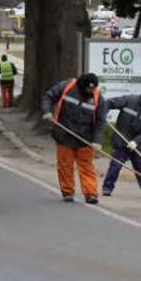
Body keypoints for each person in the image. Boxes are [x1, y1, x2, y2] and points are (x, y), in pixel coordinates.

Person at [41, 73, 108, 204]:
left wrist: (97, 141)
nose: (92, 91)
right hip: (64, 133)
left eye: (94, 88)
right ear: (82, 86)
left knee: (87, 167)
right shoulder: (67, 86)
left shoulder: (98, 98)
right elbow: (48, 97)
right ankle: (67, 191)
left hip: (85, 138)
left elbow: (100, 121)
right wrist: (46, 111)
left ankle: (91, 193)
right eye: (89, 89)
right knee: (65, 165)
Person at [102, 88, 141, 199]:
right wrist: (102, 115)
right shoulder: (130, 100)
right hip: (121, 139)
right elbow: (109, 102)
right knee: (115, 166)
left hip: (138, 143)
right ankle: (107, 188)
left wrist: (136, 141)